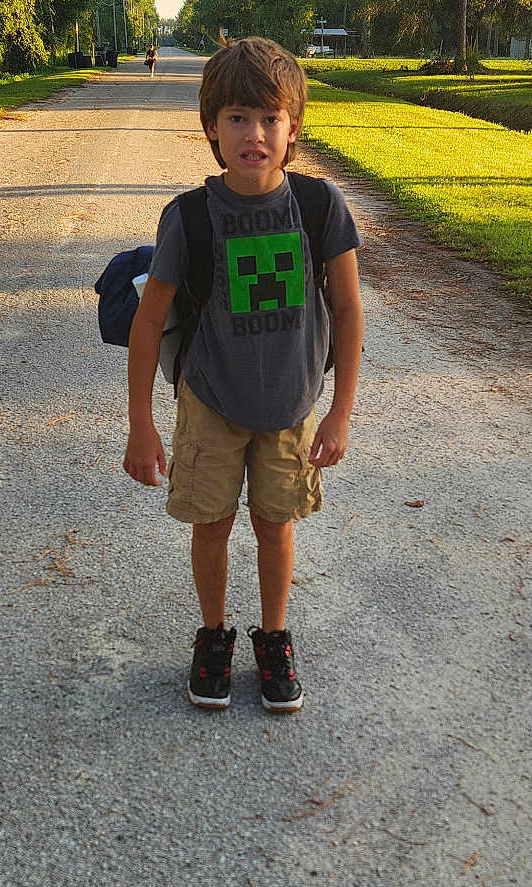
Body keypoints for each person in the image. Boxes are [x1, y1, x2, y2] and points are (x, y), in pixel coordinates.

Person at [123, 36, 363, 713]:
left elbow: (347, 310)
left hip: (290, 404)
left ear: (293, 127)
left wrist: (340, 412)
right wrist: (140, 424)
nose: (253, 134)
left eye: (268, 118)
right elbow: (148, 321)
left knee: (276, 525)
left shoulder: (319, 207)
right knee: (211, 524)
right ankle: (212, 636)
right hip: (210, 401)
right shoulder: (189, 217)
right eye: (236, 118)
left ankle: (274, 636)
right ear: (210, 128)